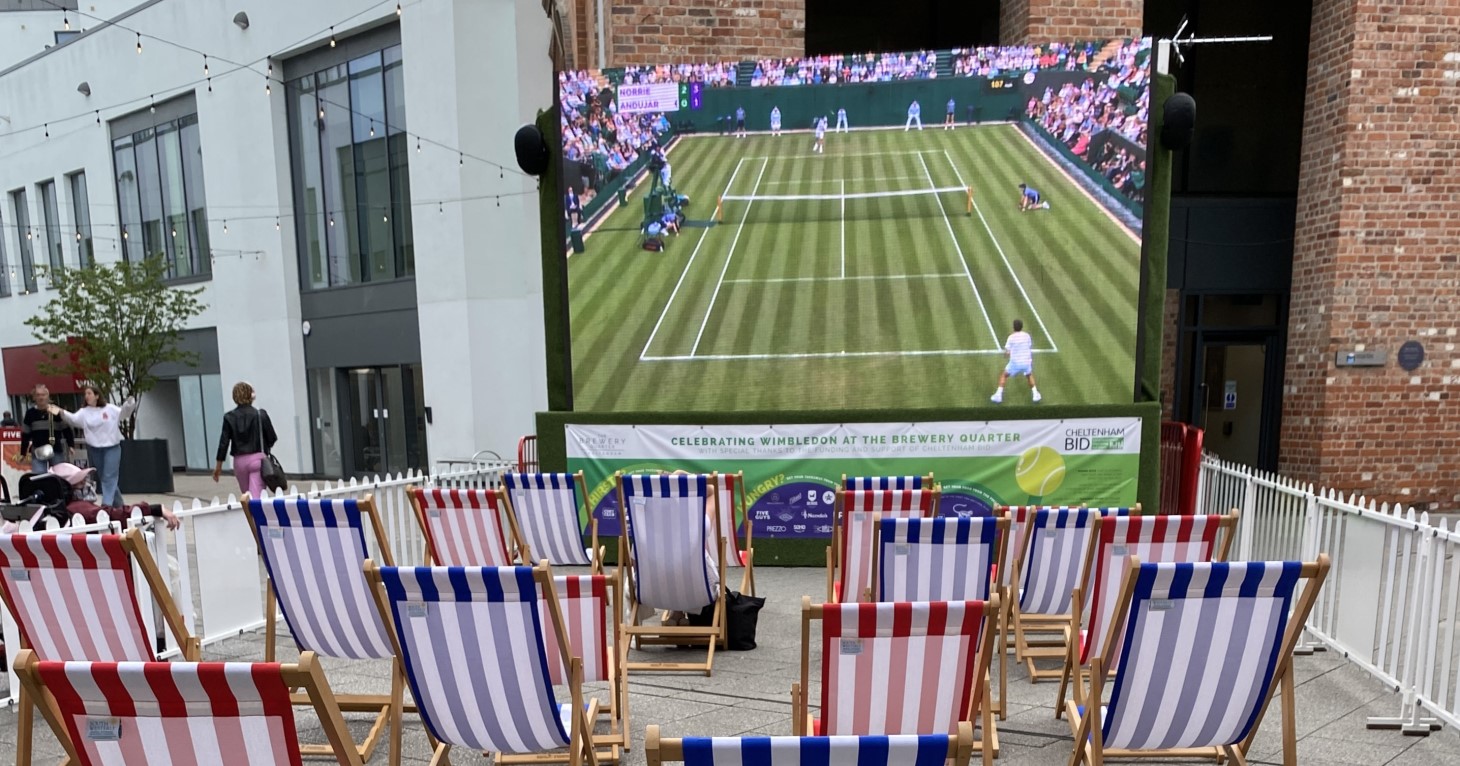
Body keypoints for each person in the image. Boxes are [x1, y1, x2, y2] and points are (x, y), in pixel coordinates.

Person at [49, 383, 136, 507]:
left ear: (97, 396)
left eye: (89, 393)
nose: (86, 396)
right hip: (95, 449)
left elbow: (124, 414)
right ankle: (119, 506)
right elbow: (73, 419)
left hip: (112, 448)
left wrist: (129, 403)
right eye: (85, 394)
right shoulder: (84, 412)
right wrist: (61, 412)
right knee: (104, 478)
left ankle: (106, 505)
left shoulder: (110, 409)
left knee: (109, 476)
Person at [213, 381, 278, 497]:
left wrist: (219, 466)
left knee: (246, 495)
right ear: (251, 395)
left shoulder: (229, 417)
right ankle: (255, 509)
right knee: (256, 497)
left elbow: (224, 443)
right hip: (257, 460)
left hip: (239, 462)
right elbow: (272, 438)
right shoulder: (260, 414)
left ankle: (250, 509)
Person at [18, 384, 72, 474]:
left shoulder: (55, 411)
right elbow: (26, 434)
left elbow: (66, 428)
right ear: (34, 397)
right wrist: (23, 453)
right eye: (38, 395)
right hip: (38, 450)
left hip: (55, 450)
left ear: (47, 396)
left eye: (43, 395)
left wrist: (70, 444)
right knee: (39, 476)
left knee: (59, 475)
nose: (41, 398)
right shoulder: (30, 413)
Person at [992, 319, 1041, 404]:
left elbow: (1007, 352)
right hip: (1026, 361)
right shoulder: (1027, 336)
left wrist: (1005, 355)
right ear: (1021, 327)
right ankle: (1035, 394)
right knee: (1029, 375)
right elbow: (1028, 346)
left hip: (1015, 363)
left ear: (1013, 327)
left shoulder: (1011, 337)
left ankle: (998, 395)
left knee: (1004, 375)